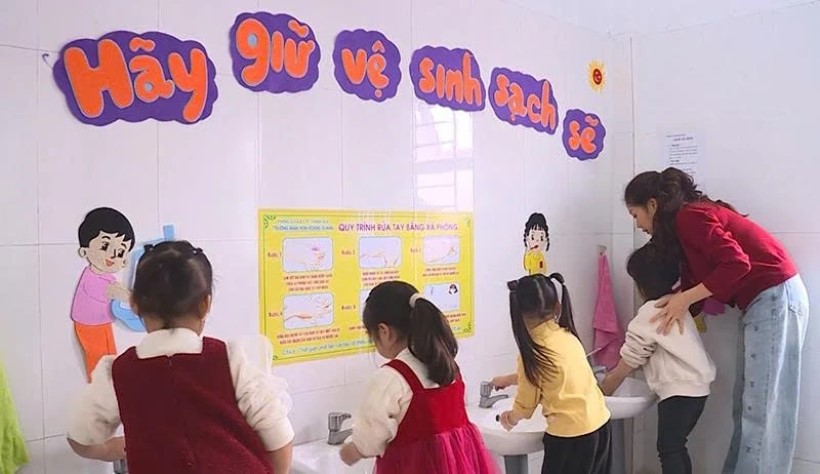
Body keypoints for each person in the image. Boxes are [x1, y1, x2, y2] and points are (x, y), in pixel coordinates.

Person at [624, 167, 809, 474]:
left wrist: (683, 300)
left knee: (760, 409)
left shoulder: (689, 217)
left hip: (775, 296)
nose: (637, 224)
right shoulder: (686, 229)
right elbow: (696, 286)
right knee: (747, 406)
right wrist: (672, 310)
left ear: (652, 204)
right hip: (767, 299)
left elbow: (737, 264)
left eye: (635, 214)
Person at [66, 241, 294, 473]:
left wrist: (113, 448)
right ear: (205, 304)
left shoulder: (117, 372)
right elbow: (280, 439)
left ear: (134, 304)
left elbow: (79, 438)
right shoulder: (230, 360)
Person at [339, 281, 496, 474]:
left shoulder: (391, 377)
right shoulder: (447, 366)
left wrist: (354, 450)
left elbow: (372, 434)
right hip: (460, 465)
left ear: (384, 331)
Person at [599, 243, 716, 474]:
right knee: (676, 447)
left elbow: (632, 356)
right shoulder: (677, 303)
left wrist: (608, 385)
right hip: (697, 390)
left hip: (679, 391)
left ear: (643, 284)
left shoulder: (652, 310)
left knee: (669, 448)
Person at [494, 273, 611, 474]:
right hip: (600, 425)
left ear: (518, 314)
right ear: (557, 306)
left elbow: (525, 407)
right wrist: (509, 380)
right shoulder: (568, 338)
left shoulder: (533, 353)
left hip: (570, 437)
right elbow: (551, 376)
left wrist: (509, 418)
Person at [71, 207, 135, 382]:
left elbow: (117, 290)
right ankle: (100, 387)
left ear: (124, 260)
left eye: (120, 252)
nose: (112, 255)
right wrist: (134, 300)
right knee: (98, 361)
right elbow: (111, 291)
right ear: (84, 251)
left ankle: (108, 385)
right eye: (105, 246)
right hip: (89, 325)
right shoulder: (91, 278)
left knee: (110, 357)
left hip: (101, 324)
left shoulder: (108, 278)